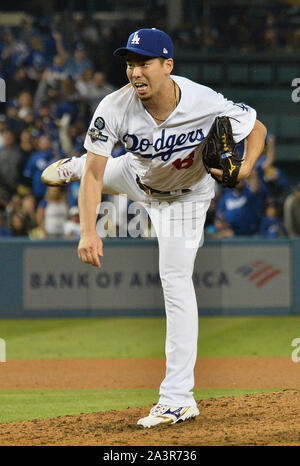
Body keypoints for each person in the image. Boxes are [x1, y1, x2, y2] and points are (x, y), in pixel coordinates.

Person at [41, 28, 267, 427]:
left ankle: (178, 399)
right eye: (129, 63)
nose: (134, 72)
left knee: (175, 281)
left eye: (143, 62)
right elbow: (97, 179)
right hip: (136, 175)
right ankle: (74, 163)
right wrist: (88, 231)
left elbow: (258, 128)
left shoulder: (204, 101)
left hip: (185, 197)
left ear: (168, 65)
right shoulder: (113, 107)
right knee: (97, 169)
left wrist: (246, 168)